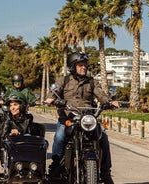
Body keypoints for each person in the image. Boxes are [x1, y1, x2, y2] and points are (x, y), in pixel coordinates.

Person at [44, 51, 118, 184]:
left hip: (87, 118)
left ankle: (106, 173)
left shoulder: (91, 82)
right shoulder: (64, 80)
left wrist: (109, 102)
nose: (84, 67)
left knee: (104, 138)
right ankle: (55, 168)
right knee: (60, 137)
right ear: (73, 67)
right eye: (80, 65)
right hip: (68, 118)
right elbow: (53, 93)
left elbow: (101, 95)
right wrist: (51, 99)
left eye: (85, 65)